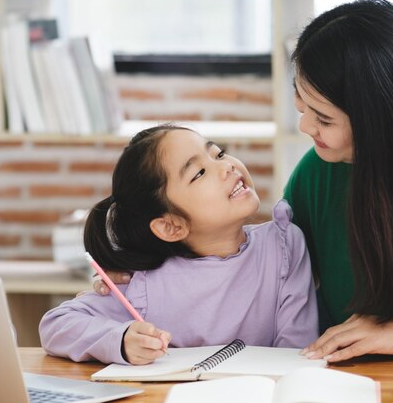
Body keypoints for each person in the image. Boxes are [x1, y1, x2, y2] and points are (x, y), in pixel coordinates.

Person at [94, 0, 393, 363]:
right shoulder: (318, 172)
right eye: (302, 106)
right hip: (339, 382)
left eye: (324, 119)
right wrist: (140, 268)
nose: (305, 127)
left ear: (383, 120)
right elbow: (252, 260)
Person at [39, 124, 318, 365]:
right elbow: (55, 325)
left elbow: (296, 351)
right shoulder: (144, 284)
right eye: (199, 172)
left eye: (218, 153)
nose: (227, 166)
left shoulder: (284, 246)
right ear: (170, 226)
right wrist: (120, 340)